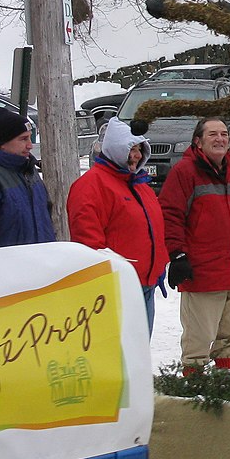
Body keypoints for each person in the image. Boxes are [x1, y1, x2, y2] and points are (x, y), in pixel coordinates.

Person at [160, 116, 230, 375]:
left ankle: (223, 386)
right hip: (202, 274)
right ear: (198, 141)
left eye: (224, 135)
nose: (220, 139)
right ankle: (195, 393)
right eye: (212, 135)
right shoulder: (184, 173)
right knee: (198, 340)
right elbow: (170, 215)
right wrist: (177, 254)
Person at [67, 117, 167, 334]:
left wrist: (159, 265)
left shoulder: (139, 185)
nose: (137, 155)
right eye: (131, 149)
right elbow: (89, 244)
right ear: (115, 149)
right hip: (116, 291)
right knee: (120, 357)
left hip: (145, 285)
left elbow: (153, 230)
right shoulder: (90, 187)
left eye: (140, 149)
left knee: (138, 355)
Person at [0, 106, 55, 249]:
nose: (30, 145)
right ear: (3, 143)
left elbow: (47, 217)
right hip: (7, 268)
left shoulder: (29, 170)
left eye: (30, 137)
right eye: (23, 139)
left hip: (43, 264)